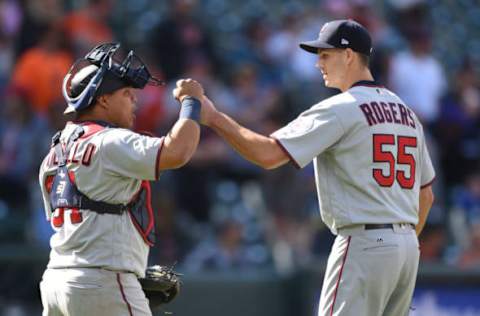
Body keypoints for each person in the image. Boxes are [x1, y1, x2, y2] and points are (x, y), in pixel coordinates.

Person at [178, 19, 436, 316]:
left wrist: (214, 118)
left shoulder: (340, 108)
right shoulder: (405, 112)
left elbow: (268, 155)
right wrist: (398, 244)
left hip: (365, 242)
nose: (318, 64)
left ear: (349, 55)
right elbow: (426, 196)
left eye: (325, 55)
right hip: (406, 247)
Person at [38, 43, 203, 316]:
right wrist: (192, 102)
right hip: (102, 281)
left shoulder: (52, 154)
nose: (134, 100)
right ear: (103, 99)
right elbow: (178, 152)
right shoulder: (109, 141)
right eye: (126, 93)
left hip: (56, 281)